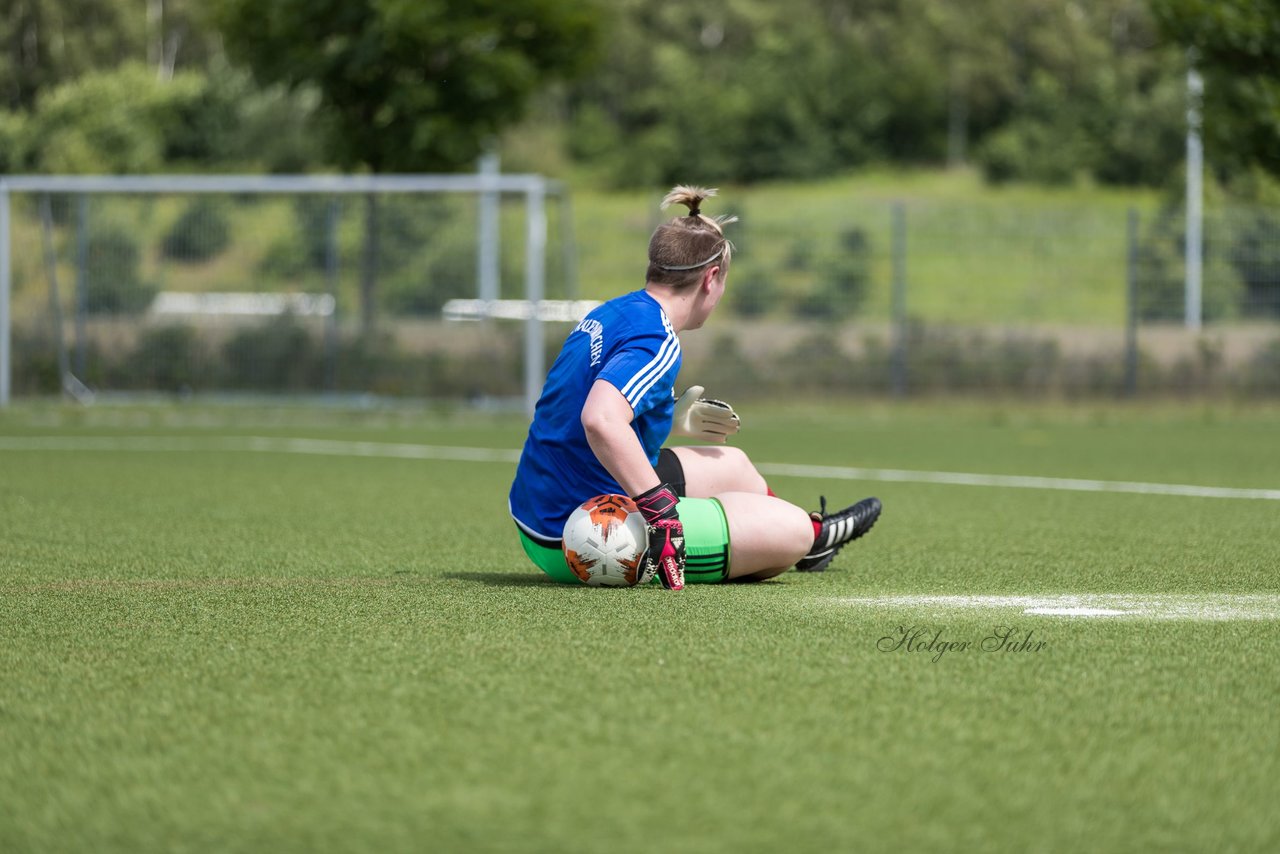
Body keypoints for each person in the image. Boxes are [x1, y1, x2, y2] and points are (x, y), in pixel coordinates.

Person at [508, 185, 881, 589]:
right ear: (712, 277)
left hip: (540, 505)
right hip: (582, 533)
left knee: (733, 464)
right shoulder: (658, 340)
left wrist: (668, 413)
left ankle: (814, 539)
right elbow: (599, 419)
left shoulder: (616, 310)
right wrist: (660, 513)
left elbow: (579, 404)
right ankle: (805, 538)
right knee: (788, 534)